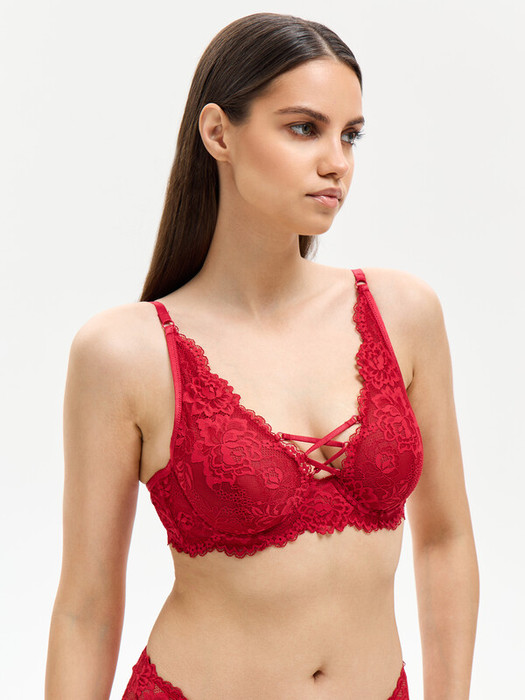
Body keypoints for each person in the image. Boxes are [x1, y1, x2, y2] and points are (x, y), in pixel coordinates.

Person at [45, 12, 479, 700]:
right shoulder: (125, 352)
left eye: (350, 135)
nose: (337, 162)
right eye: (304, 128)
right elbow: (86, 608)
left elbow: (445, 540)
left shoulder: (404, 314)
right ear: (219, 133)